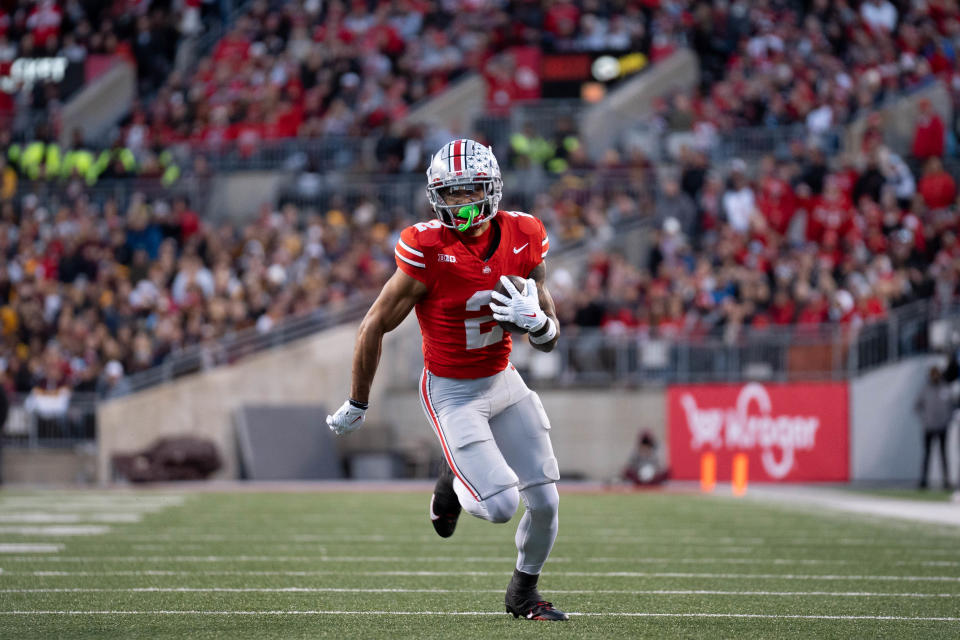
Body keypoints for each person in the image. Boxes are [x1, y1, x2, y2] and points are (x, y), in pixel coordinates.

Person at [326, 139, 568, 621]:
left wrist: (538, 322)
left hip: (503, 379)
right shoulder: (426, 249)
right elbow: (373, 323)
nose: (460, 204)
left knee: (545, 500)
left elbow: (549, 340)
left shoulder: (524, 234)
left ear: (492, 188)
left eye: (470, 191)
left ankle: (523, 593)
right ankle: (450, 482)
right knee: (499, 506)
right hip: (452, 392)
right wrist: (358, 401)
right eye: (450, 194)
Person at [914, 366, 953, 489]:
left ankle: (946, 480)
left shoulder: (945, 387)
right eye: (933, 374)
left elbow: (951, 405)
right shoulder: (925, 389)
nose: (935, 376)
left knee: (943, 454)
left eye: (937, 374)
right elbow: (917, 406)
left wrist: (947, 419)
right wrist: (925, 420)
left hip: (942, 426)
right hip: (929, 427)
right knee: (927, 455)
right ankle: (924, 480)